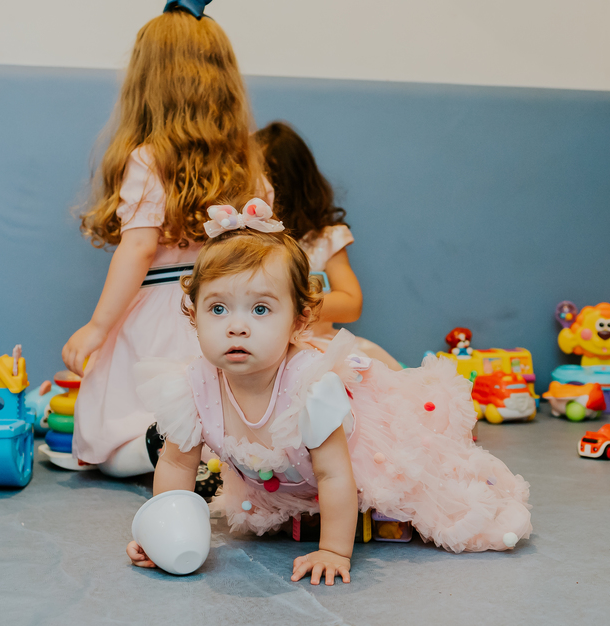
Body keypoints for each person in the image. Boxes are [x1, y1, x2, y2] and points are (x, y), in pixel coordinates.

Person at [128, 200, 532, 584]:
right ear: (192, 315)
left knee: (428, 497)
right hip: (284, 481)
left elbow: (334, 472)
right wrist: (163, 530)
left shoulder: (310, 387)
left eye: (261, 309)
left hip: (361, 462)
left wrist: (334, 552)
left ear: (299, 321)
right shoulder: (192, 386)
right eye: (217, 309)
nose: (236, 326)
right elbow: (179, 466)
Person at [62, 0, 268, 477]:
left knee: (109, 441)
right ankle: (215, 454)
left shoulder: (147, 158)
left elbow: (137, 248)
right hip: (222, 315)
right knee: (231, 413)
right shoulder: (249, 164)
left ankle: (160, 447)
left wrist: (97, 327)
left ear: (147, 83)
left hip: (158, 318)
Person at [252, 121, 402, 369]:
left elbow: (351, 305)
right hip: (261, 350)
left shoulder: (325, 238)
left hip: (317, 350)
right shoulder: (249, 242)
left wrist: (293, 304)